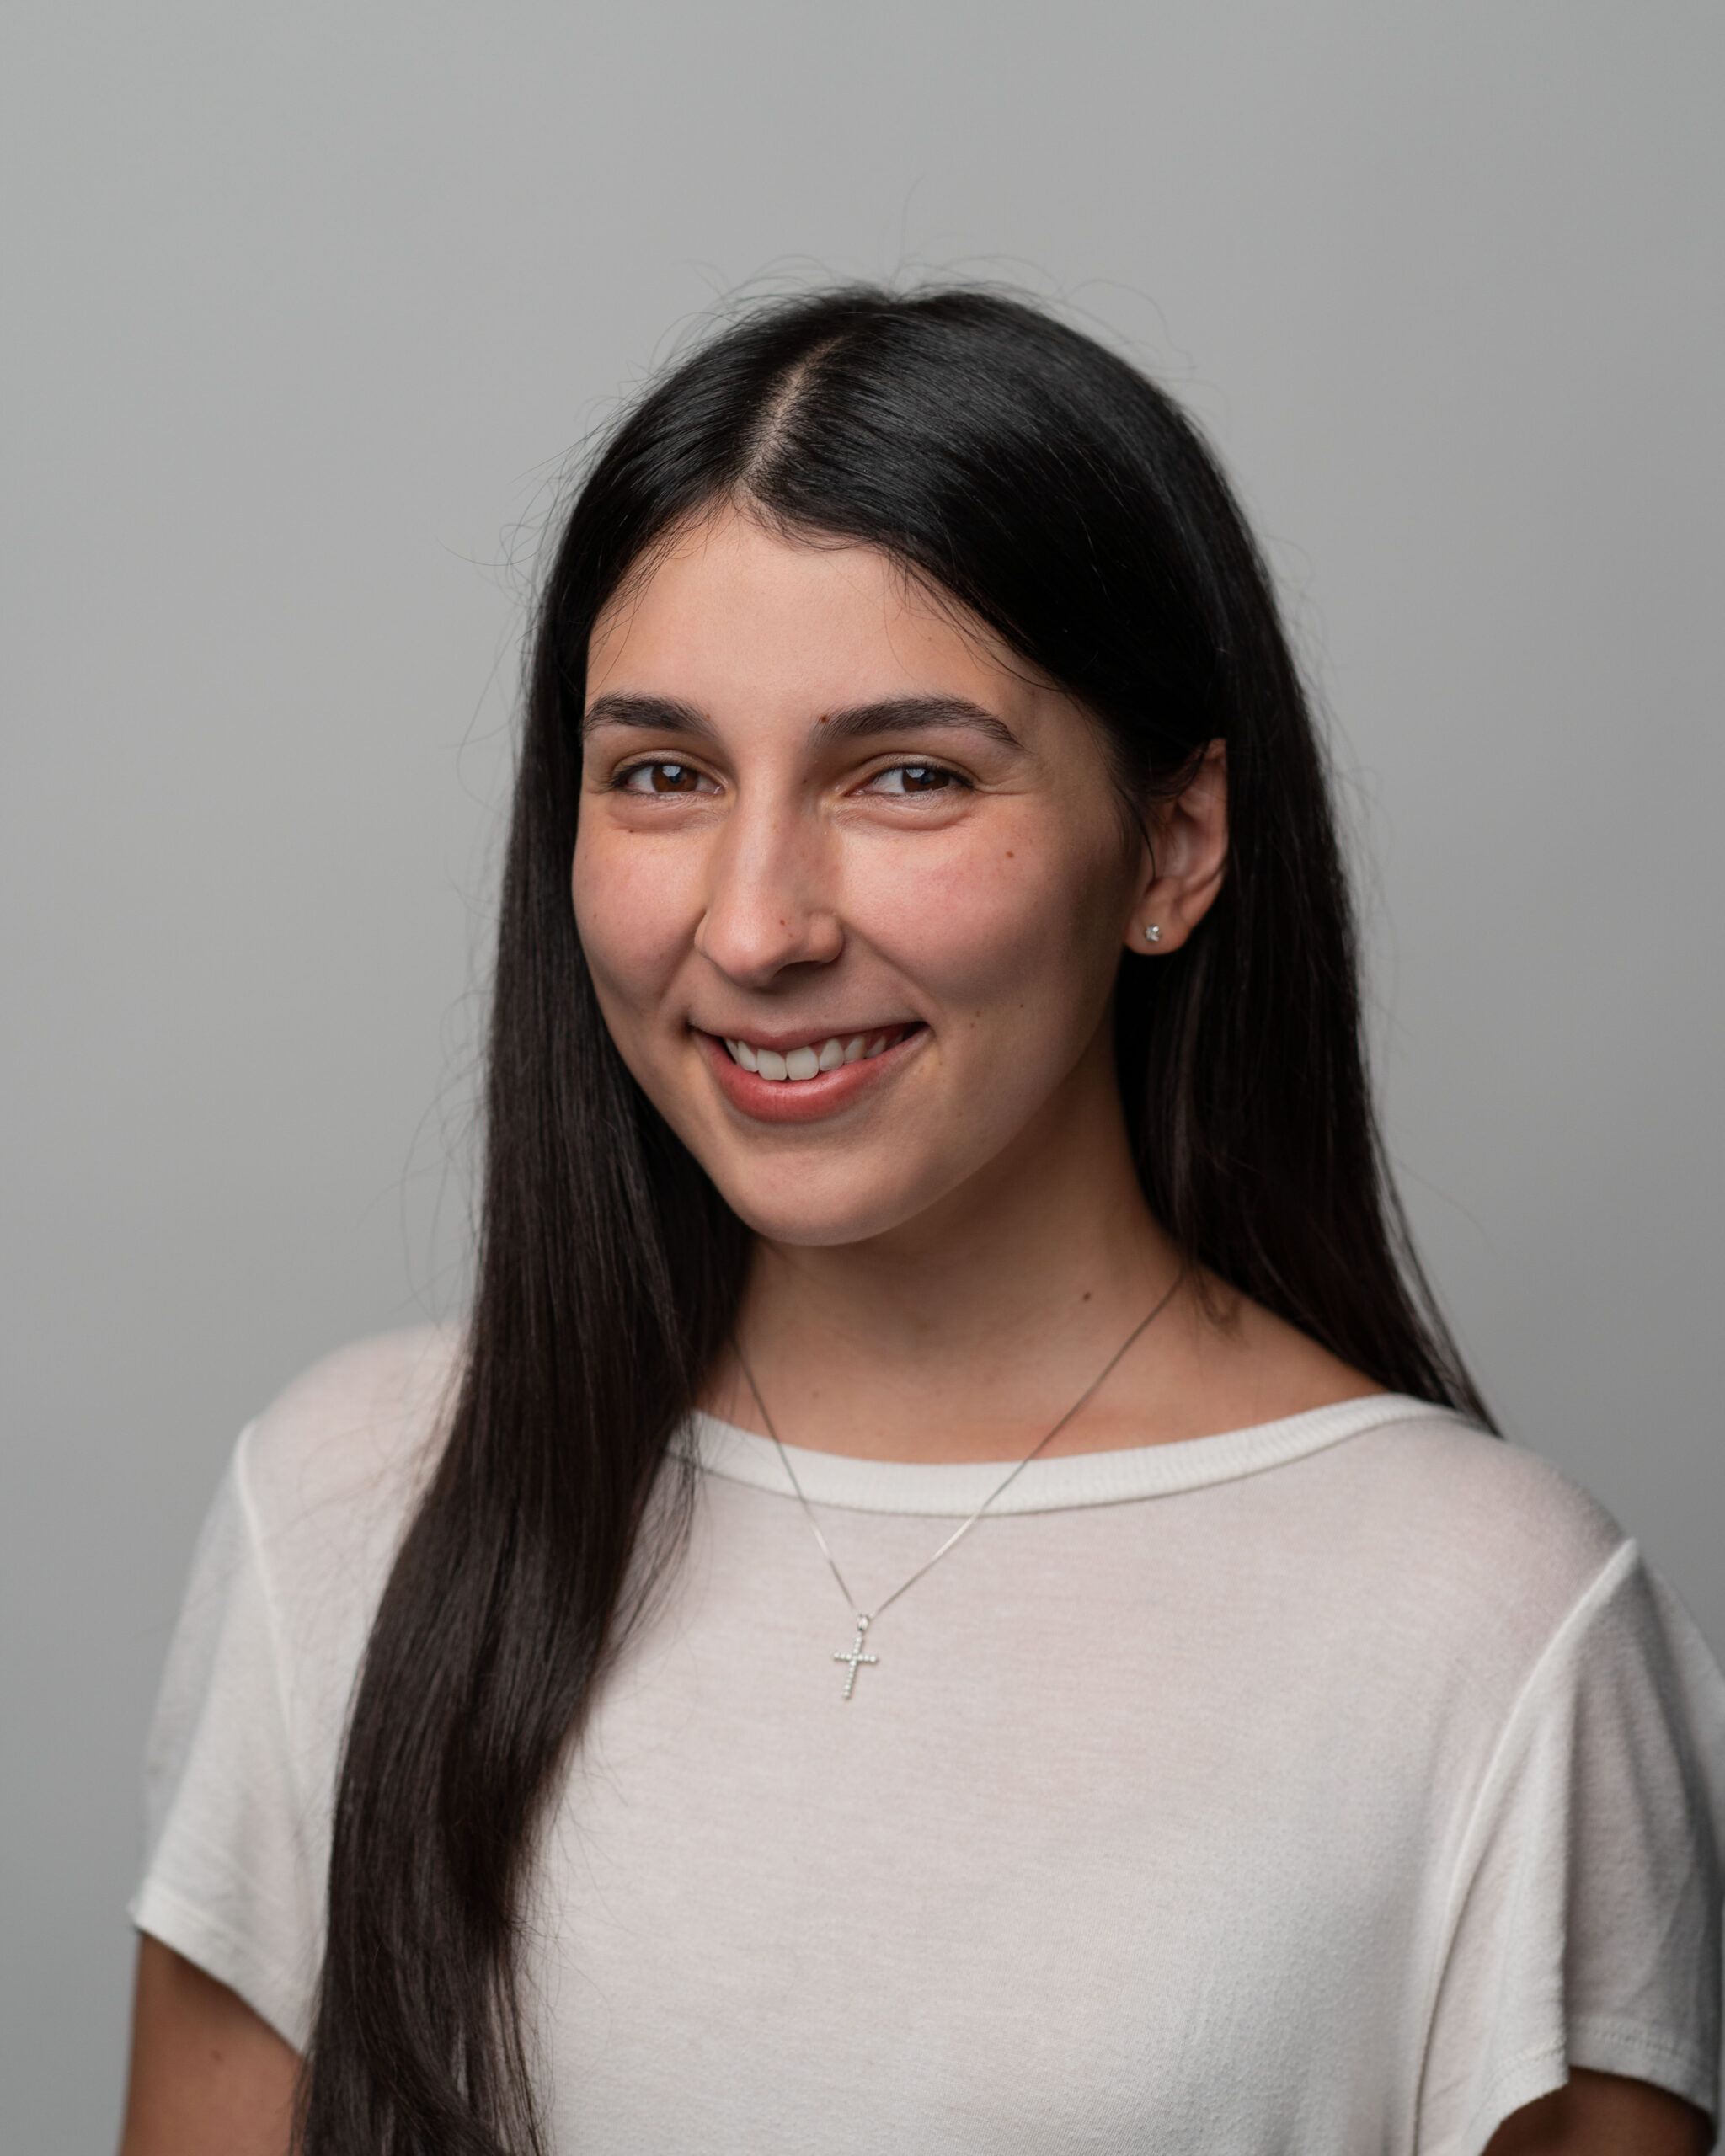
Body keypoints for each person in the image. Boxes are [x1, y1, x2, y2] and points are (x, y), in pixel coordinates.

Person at [119, 287, 1724, 2156]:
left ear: (1174, 844)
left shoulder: (1496, 1628)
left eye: (906, 776)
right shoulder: (344, 1504)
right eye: (663, 774)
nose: (755, 927)